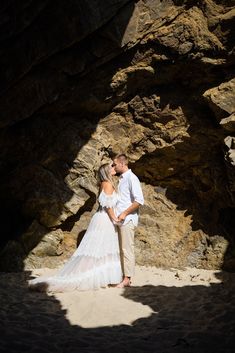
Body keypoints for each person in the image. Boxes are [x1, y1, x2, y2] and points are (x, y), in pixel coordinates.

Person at [28, 163, 122, 292]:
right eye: (111, 167)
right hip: (105, 218)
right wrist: (115, 219)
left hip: (101, 218)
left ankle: (103, 276)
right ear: (106, 171)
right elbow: (108, 205)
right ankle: (100, 276)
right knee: (101, 247)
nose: (114, 168)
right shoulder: (108, 184)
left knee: (101, 247)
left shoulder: (103, 183)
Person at [113, 154, 144, 288]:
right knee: (121, 249)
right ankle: (123, 276)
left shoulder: (132, 178)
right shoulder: (122, 178)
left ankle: (127, 279)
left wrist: (124, 213)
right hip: (119, 219)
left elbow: (139, 201)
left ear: (122, 164)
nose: (113, 166)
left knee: (127, 249)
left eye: (115, 164)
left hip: (127, 219)